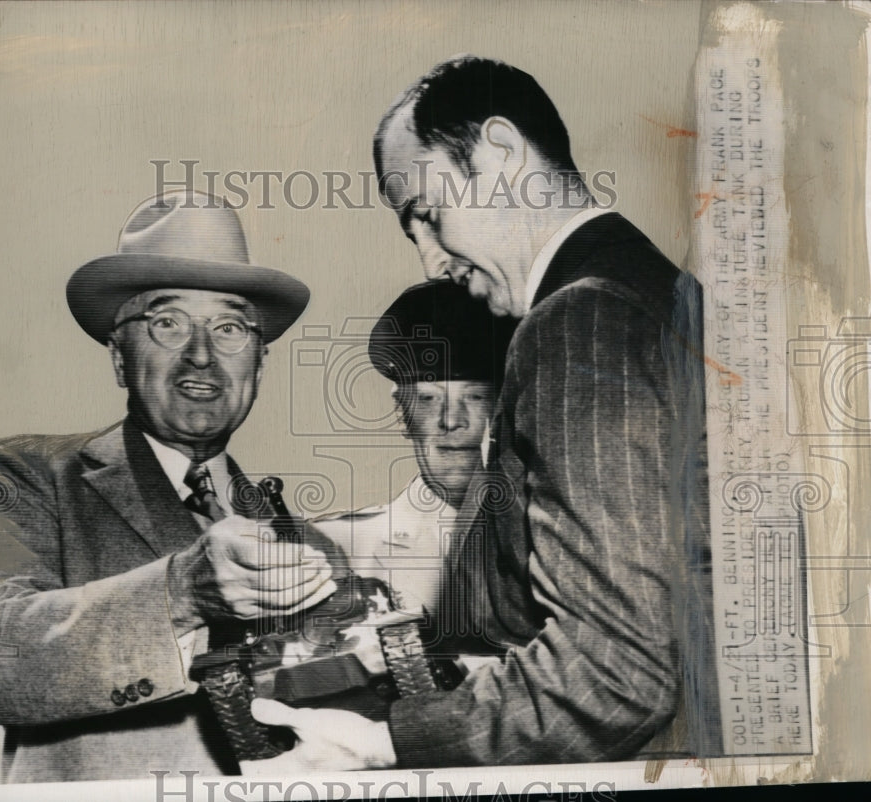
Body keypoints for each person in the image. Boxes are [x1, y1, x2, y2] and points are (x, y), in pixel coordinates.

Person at [243, 55, 718, 771]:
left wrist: (384, 743)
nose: (432, 261)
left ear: (501, 151)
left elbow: (619, 668)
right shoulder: (658, 292)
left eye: (428, 216)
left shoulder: (580, 321)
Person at [0, 190, 342, 782]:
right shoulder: (19, 475)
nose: (202, 356)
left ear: (258, 365)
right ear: (119, 357)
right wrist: (181, 591)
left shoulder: (307, 545)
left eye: (230, 327)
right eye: (167, 323)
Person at [313, 279, 517, 621]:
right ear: (401, 415)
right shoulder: (337, 549)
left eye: (475, 396)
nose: (452, 420)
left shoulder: (559, 539)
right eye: (428, 398)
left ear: (505, 409)